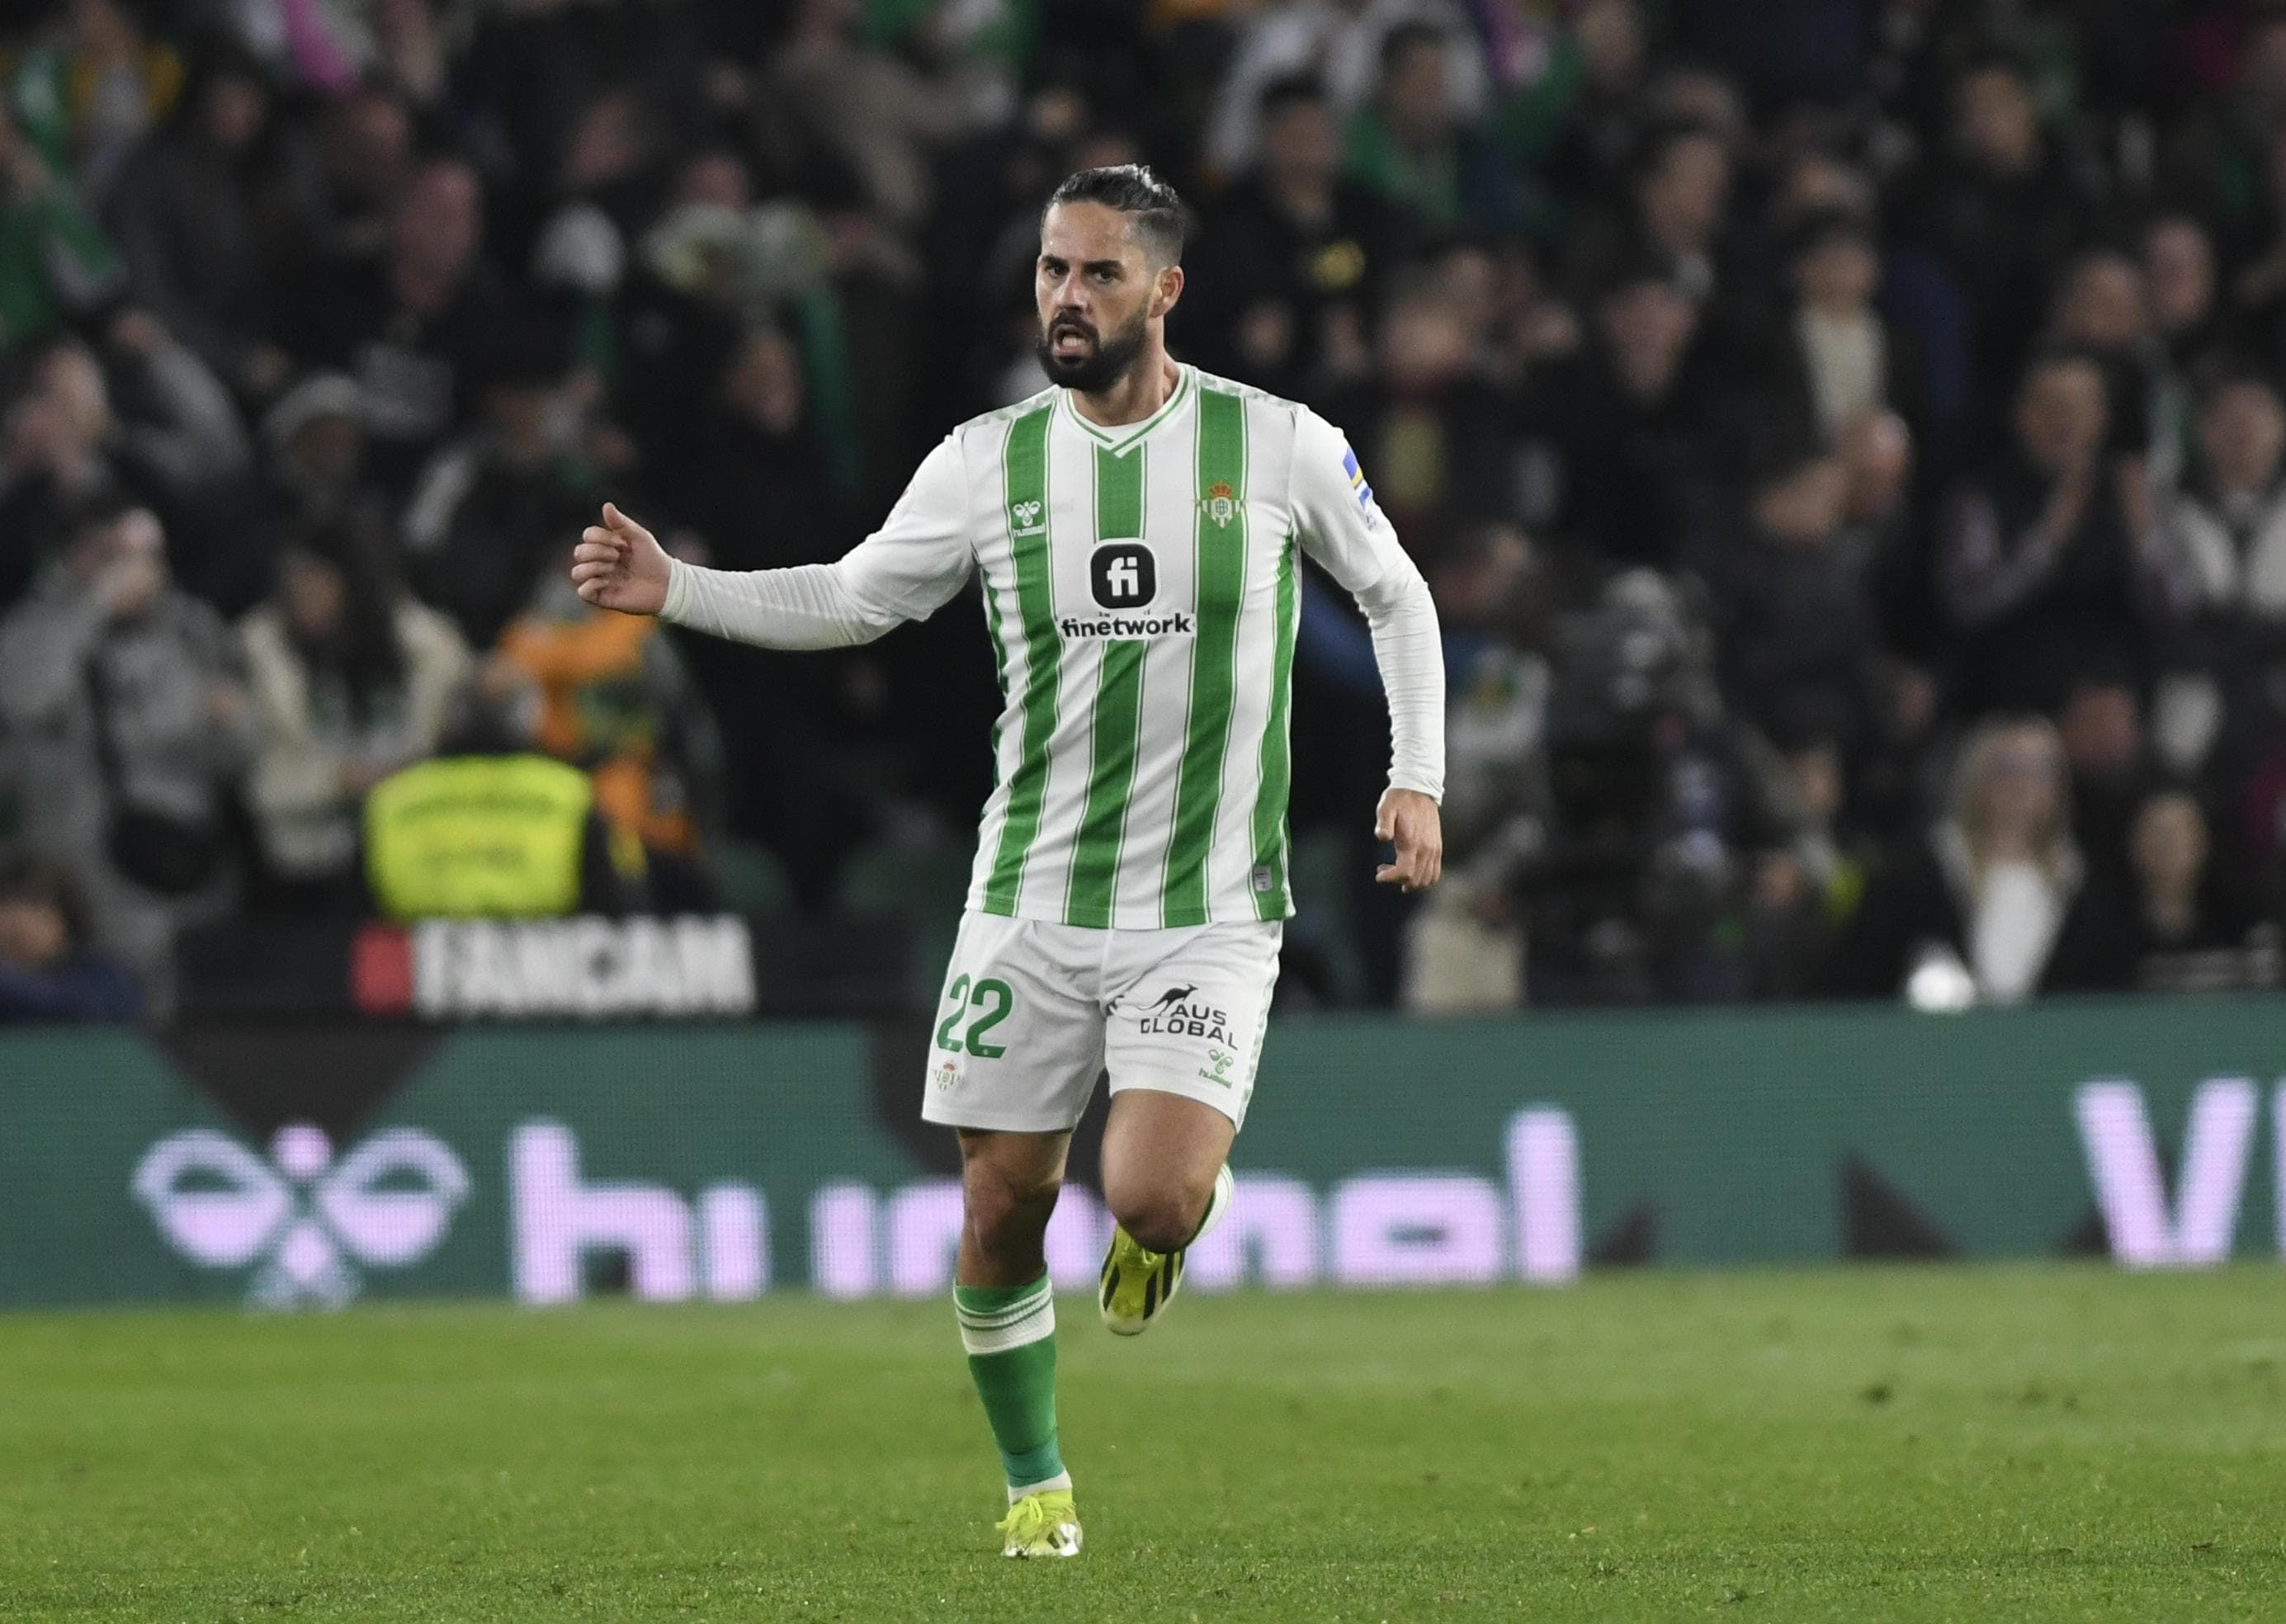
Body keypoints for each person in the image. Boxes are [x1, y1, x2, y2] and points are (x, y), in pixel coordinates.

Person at [569, 164, 1444, 1557]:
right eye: (1052, 269)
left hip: (1208, 904)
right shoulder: (987, 459)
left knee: (1151, 1189)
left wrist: (1417, 775)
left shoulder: (1276, 443)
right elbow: (856, 598)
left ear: (1164, 290)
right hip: (1029, 893)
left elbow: (1395, 592)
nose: (1068, 296)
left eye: (1100, 272)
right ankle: (1036, 1481)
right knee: (997, 1202)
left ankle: (1154, 1239)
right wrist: (682, 589)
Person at [239, 522, 471, 907]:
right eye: (292, 581)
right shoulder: (264, 656)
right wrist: (335, 781)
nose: (302, 593)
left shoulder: (422, 648)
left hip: (421, 853)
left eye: (316, 578)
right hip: (309, 867)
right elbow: (260, 784)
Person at [1823, 717, 2122, 1003]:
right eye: (2009, 767)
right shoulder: (1922, 872)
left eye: (2040, 770)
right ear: (1977, 775)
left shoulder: (2079, 884)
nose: (2023, 784)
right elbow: (1858, 973)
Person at [0, 849, 139, 1021]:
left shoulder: (100, 976)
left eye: (34, 905)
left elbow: (95, 1009)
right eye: (6, 905)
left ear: (66, 918)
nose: (19, 921)